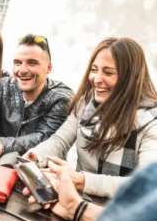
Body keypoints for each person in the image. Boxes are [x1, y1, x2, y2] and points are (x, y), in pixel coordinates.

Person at [23, 37, 157, 199]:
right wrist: (36, 155)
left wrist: (82, 181)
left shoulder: (151, 122)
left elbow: (147, 184)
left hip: (120, 210)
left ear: (130, 79)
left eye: (108, 72)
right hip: (76, 197)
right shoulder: (85, 103)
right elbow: (60, 140)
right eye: (94, 70)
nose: (97, 79)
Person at [22, 160, 157, 221]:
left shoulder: (150, 124)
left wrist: (82, 180)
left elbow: (141, 191)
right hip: (83, 202)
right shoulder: (85, 110)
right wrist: (74, 207)